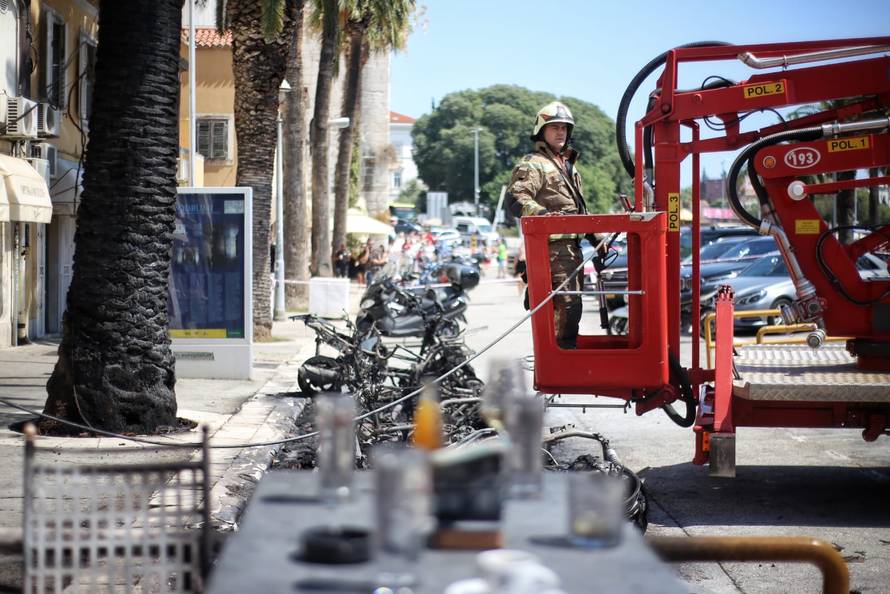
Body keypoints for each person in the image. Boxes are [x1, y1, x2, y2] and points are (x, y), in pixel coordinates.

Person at [507, 101, 588, 349]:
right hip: (551, 251)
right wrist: (542, 214)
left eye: (564, 127)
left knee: (572, 308)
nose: (560, 132)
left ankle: (563, 359)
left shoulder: (567, 166)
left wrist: (596, 237)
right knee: (565, 307)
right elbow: (515, 198)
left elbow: (578, 210)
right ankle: (559, 362)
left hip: (572, 250)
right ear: (542, 130)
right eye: (554, 127)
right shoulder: (533, 163)